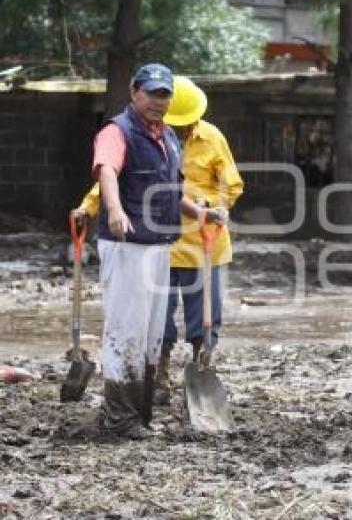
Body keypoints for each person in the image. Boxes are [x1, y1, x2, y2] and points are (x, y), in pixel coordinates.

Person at [74, 75, 243, 405]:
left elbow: (230, 185)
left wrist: (213, 207)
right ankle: (158, 377)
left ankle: (200, 368)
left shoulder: (206, 138)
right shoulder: (141, 135)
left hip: (204, 243)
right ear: (136, 95)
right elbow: (112, 177)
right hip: (161, 244)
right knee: (157, 320)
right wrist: (92, 207)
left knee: (205, 317)